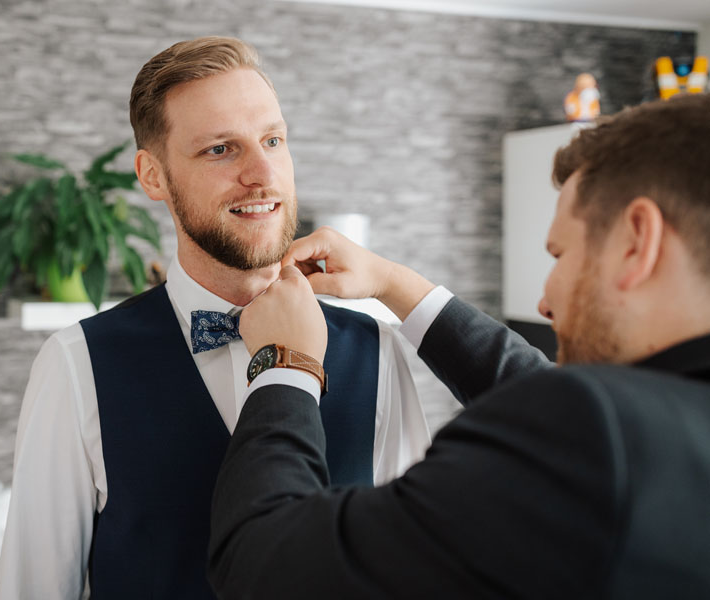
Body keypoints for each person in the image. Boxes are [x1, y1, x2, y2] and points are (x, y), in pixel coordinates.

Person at [208, 93, 710, 599]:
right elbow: (548, 393)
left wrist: (285, 364)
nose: (544, 300)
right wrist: (391, 281)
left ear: (637, 241)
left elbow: (266, 567)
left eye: (560, 254)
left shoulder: (591, 433)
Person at [0, 36, 434, 599]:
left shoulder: (379, 349)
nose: (262, 173)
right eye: (221, 149)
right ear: (153, 176)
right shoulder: (76, 364)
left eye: (273, 140)